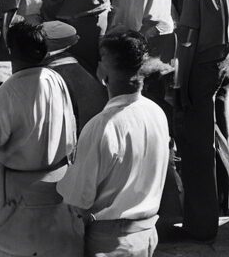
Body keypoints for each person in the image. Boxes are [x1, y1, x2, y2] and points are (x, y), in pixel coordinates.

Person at [58, 31, 171, 257]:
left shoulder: (101, 127)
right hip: (146, 235)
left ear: (103, 72)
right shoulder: (156, 113)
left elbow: (79, 198)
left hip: (111, 243)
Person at [0, 21, 82, 257]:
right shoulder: (56, 80)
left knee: (18, 249)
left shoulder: (5, 92)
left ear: (11, 51)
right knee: (55, 246)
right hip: (59, 179)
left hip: (19, 186)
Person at [172, 0, 229, 241]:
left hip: (202, 69)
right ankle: (221, 202)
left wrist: (179, 84)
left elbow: (187, 41)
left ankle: (201, 223)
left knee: (197, 152)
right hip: (221, 62)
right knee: (213, 139)